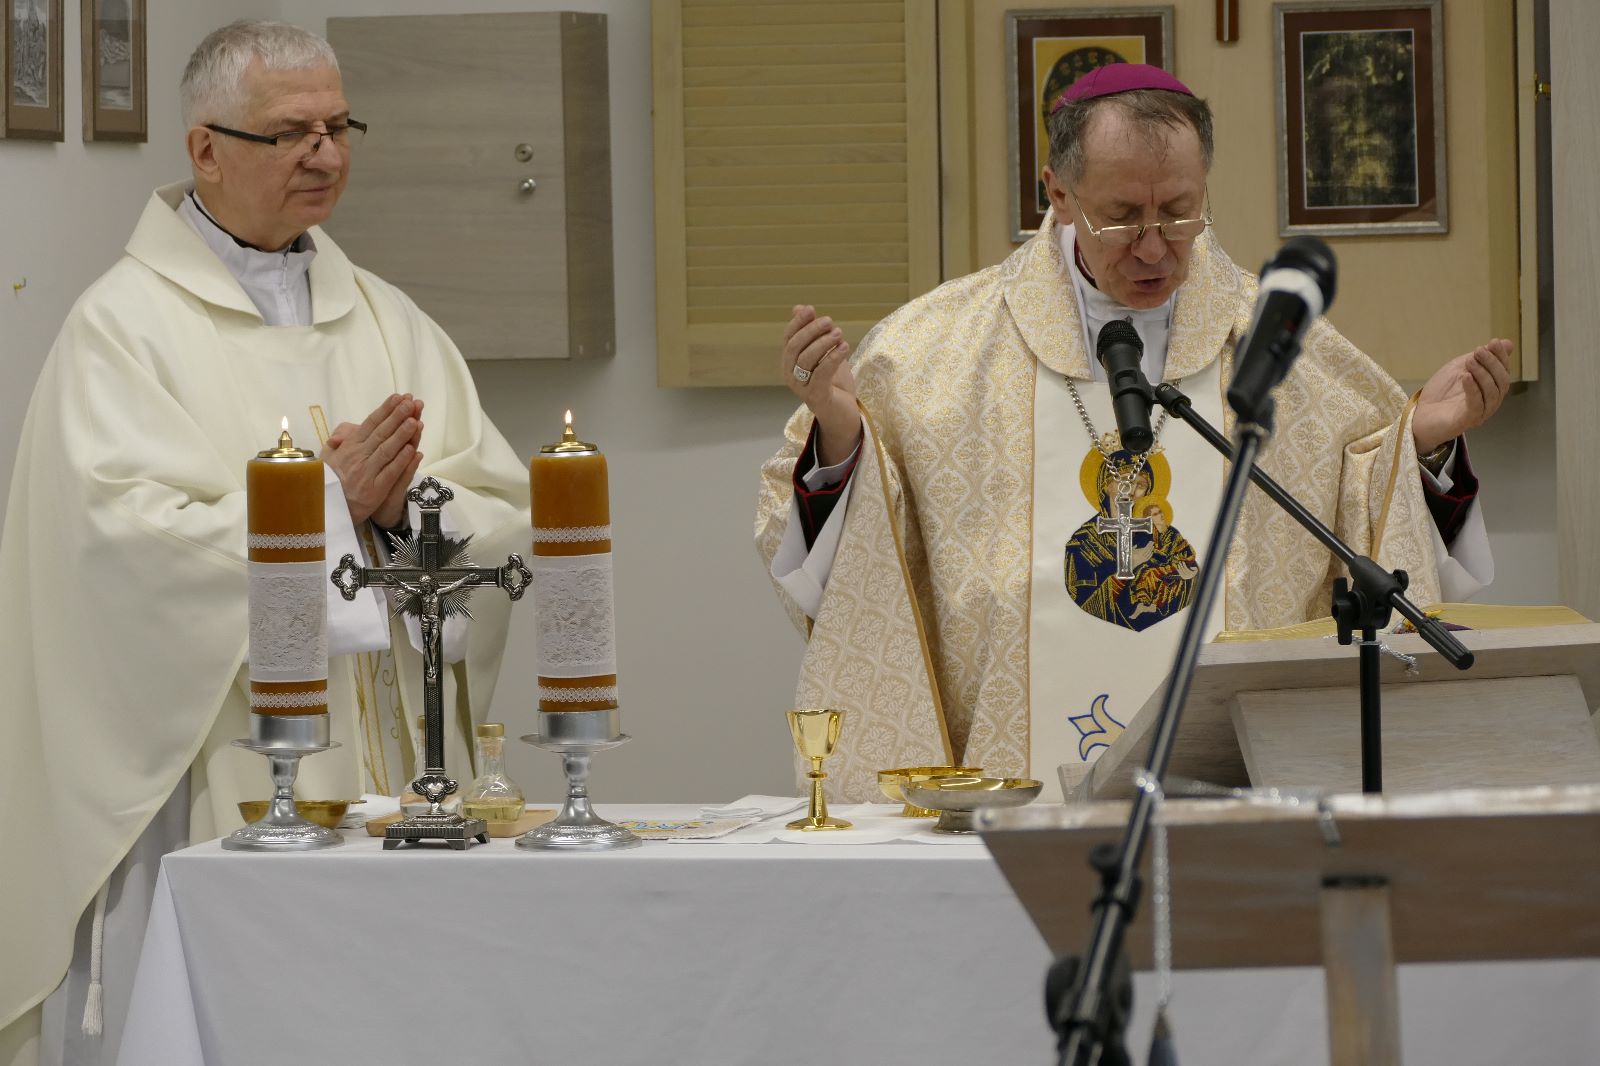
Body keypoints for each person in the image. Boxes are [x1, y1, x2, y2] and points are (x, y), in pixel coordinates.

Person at [756, 64, 1508, 804]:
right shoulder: (930, 351)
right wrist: (839, 435)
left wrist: (1421, 443)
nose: (1154, 248)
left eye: (1179, 212)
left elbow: (1365, 507)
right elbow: (858, 558)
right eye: (1120, 217)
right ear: (1057, 193)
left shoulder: (1279, 344)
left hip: (1233, 806)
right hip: (1010, 793)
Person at [0, 20, 529, 1065]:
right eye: (291, 133)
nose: (325, 154)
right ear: (206, 149)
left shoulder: (387, 318)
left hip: (392, 771)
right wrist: (325, 507)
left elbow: (498, 505)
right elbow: (115, 551)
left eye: (339, 128)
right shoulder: (123, 330)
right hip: (208, 777)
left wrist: (400, 513)